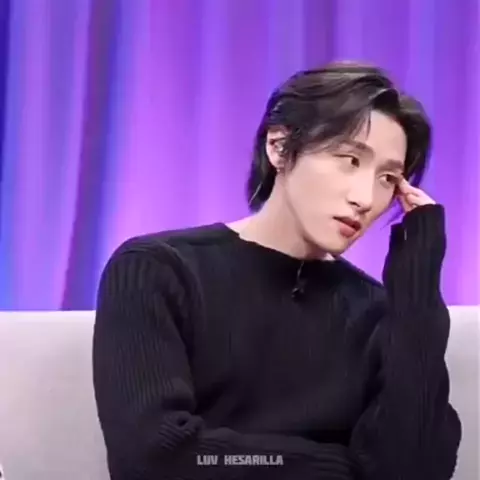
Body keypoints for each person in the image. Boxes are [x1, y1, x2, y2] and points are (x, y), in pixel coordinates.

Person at [93, 61, 462, 480]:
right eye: (349, 159)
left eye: (388, 178)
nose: (365, 197)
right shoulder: (158, 270)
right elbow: (155, 457)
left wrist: (417, 287)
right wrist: (347, 470)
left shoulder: (380, 313)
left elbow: (413, 470)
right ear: (279, 146)